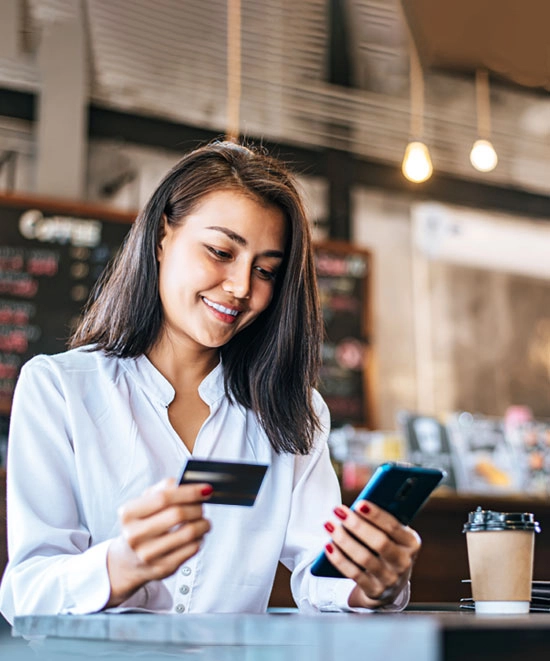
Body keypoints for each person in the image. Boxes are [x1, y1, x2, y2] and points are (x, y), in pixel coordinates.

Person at [0, 140, 420, 623]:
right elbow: (26, 592)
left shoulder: (292, 411)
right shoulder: (60, 389)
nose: (242, 287)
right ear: (162, 237)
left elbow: (318, 573)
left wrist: (372, 584)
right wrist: (119, 566)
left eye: (265, 270)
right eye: (221, 251)